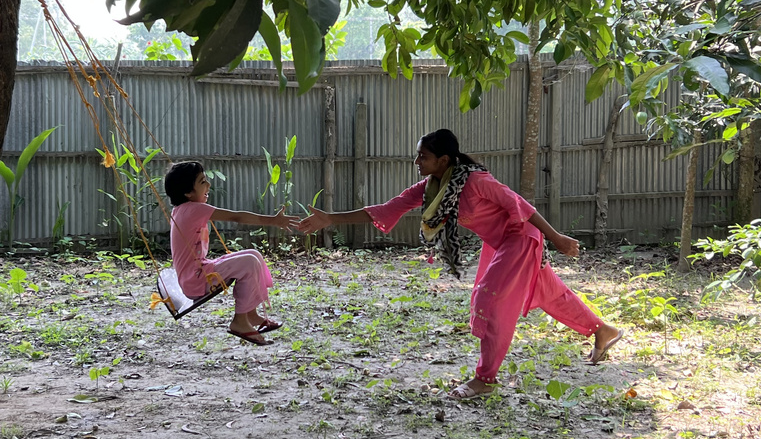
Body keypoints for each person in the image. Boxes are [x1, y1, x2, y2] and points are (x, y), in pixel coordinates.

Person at [298, 129, 623, 398]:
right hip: (500, 243)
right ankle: (602, 329)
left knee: (488, 299)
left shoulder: (476, 181)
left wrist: (557, 238)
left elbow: (521, 205)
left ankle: (485, 379)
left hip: (521, 238)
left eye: (422, 157)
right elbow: (387, 208)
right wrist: (330, 218)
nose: (417, 162)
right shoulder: (433, 188)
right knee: (551, 294)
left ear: (443, 159)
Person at [164, 161, 297, 345]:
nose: (208, 185)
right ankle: (239, 322)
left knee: (254, 254)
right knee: (249, 262)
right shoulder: (193, 209)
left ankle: (251, 314)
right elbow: (237, 216)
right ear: (188, 193)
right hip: (196, 280)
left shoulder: (181, 210)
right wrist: (273, 221)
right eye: (203, 182)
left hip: (196, 273)